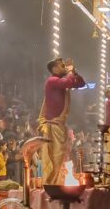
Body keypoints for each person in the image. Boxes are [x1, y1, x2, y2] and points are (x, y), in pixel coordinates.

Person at [38, 57, 85, 185]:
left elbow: (81, 83)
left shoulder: (61, 81)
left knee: (62, 155)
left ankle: (59, 182)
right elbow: (68, 83)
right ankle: (53, 184)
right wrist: (70, 72)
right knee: (56, 156)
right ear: (53, 69)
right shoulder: (52, 81)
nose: (64, 67)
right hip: (53, 126)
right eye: (61, 65)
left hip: (60, 125)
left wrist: (74, 72)